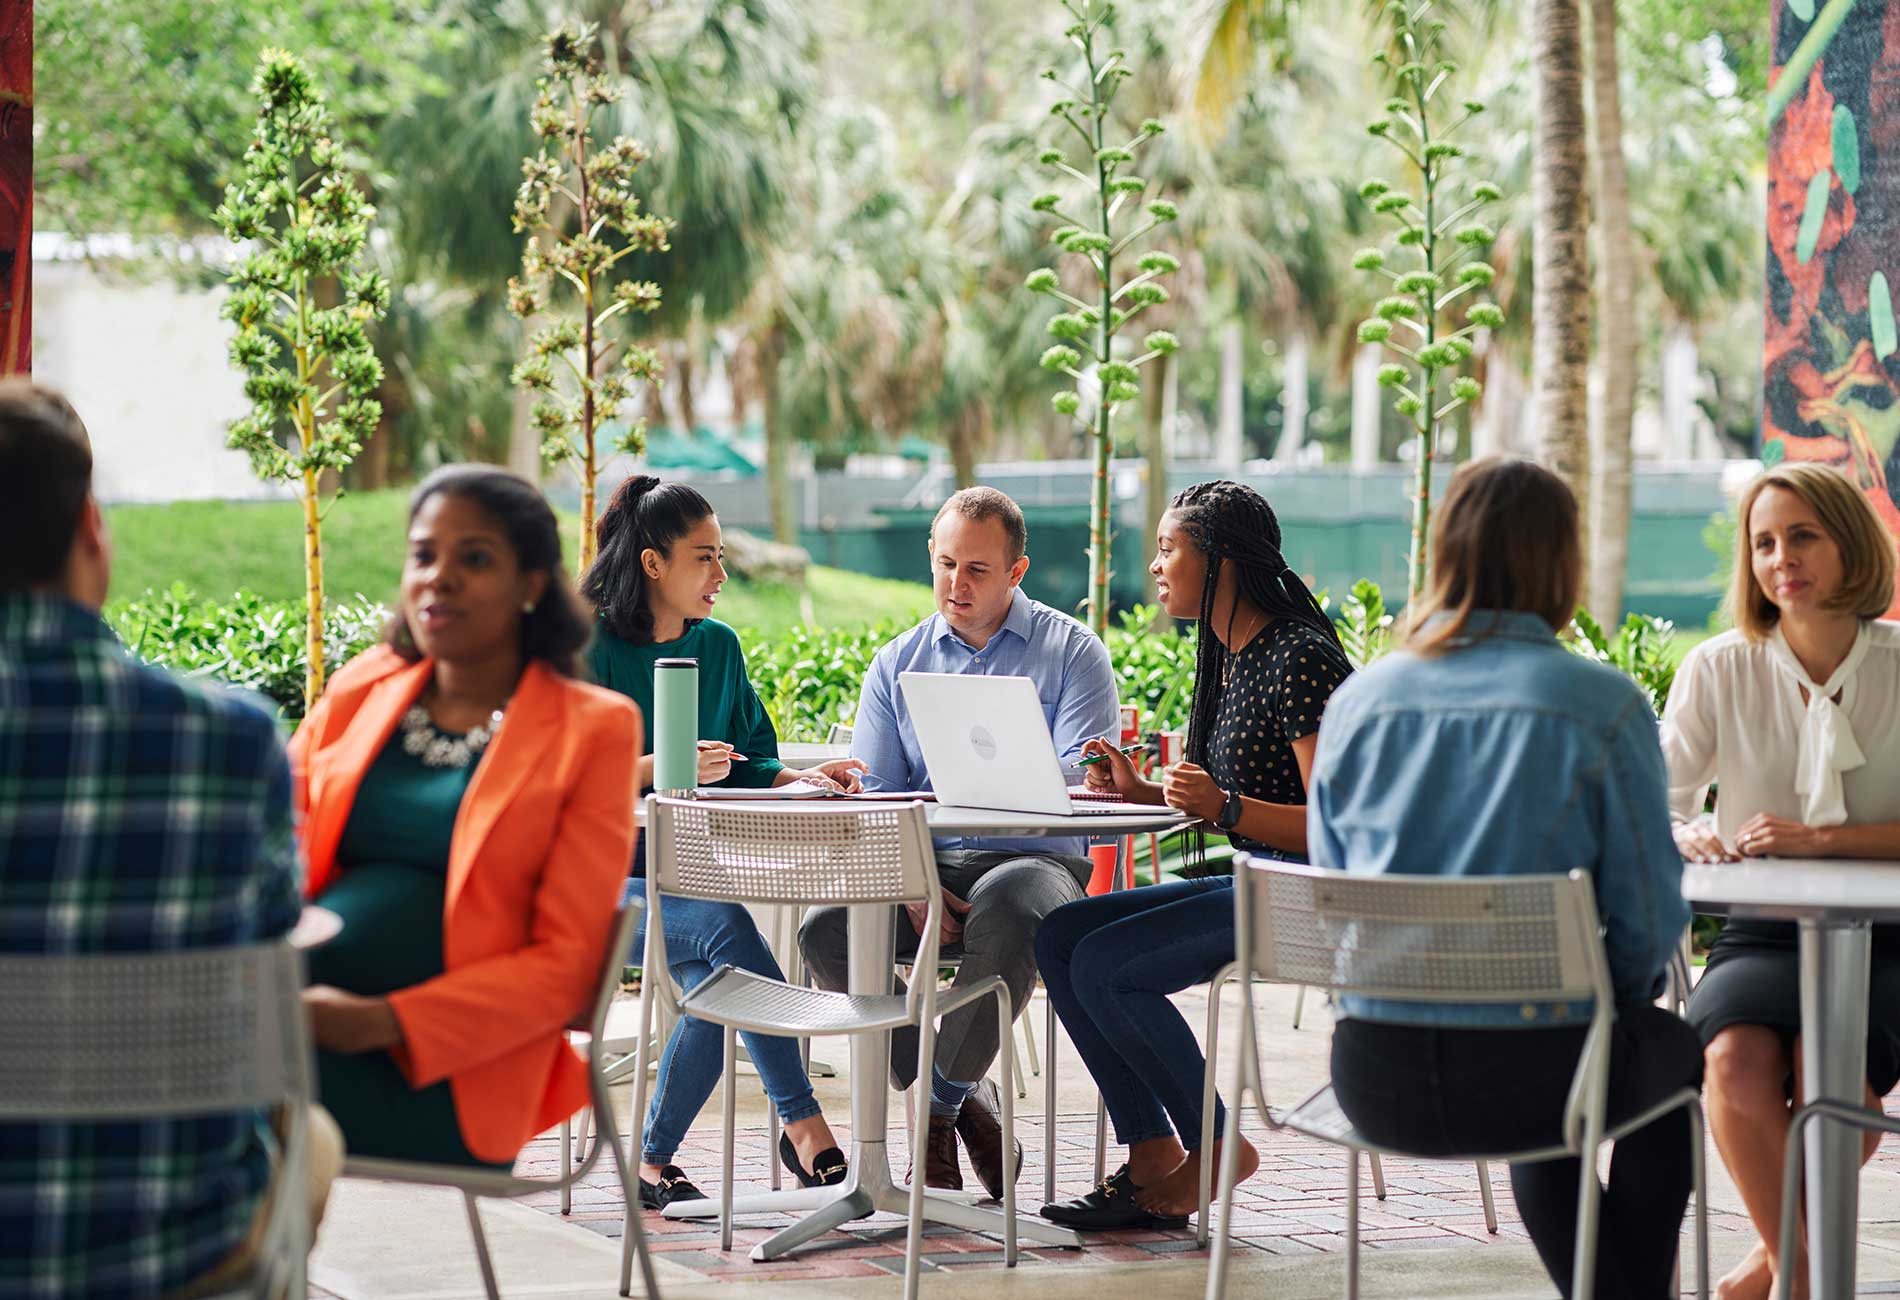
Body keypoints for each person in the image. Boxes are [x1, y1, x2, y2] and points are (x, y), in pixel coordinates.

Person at [1309, 457, 1701, 1300]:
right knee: (1668, 1053)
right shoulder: (1602, 705)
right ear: (1564, 561)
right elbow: (1644, 927)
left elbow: (1333, 891)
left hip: (1376, 1077)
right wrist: (1601, 996)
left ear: (1445, 552)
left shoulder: (1358, 703)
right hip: (1543, 1078)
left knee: (1568, 1063)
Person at [0, 379, 342, 1298]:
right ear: (91, 533)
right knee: (314, 1135)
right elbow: (269, 968)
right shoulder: (230, 740)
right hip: (176, 1255)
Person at [292, 466, 639, 1174]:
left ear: (531, 584)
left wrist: (378, 1022)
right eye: (424, 555)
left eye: (473, 558)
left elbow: (567, 968)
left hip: (446, 1070)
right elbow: (268, 844)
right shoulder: (362, 687)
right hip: (290, 1015)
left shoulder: (592, 729)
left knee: (196, 1115)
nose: (439, 578)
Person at [1035, 480, 1353, 1230]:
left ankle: (1215, 1145)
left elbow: (1341, 829)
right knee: (1060, 936)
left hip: (1311, 898)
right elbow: (1216, 801)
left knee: (1108, 966)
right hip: (1254, 879)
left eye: (1169, 548)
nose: (1153, 565)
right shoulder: (1230, 654)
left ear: (1222, 562)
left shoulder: (1301, 659)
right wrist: (1141, 790)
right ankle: (1151, 1150)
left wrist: (1229, 809)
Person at [798, 486, 1119, 1199]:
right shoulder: (897, 662)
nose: (956, 583)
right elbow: (879, 797)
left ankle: (935, 1113)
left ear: (1018, 571)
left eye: (977, 569)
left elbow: (1084, 782)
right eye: (945, 564)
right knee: (826, 932)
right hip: (930, 861)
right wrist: (913, 879)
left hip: (1034, 857)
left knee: (1012, 913)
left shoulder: (1073, 654)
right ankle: (968, 1103)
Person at [582, 475, 858, 1207]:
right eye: (704, 557)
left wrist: (798, 775)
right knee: (729, 932)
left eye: (721, 556)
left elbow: (749, 757)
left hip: (684, 873)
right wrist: (656, 768)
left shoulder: (719, 647)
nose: (721, 575)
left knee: (719, 979)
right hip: (590, 884)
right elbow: (550, 780)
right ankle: (805, 1128)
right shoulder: (588, 647)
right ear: (652, 563)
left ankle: (652, 1162)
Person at [1663, 462, 1900, 1300]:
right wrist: (1689, 830)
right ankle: (1798, 1274)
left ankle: (1770, 1270)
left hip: (1887, 936)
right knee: (1730, 1064)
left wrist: (1822, 840)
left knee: (1829, 1076)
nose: (1780, 558)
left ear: (1849, 544)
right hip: (1763, 920)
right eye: (1764, 542)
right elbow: (1662, 801)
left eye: (1803, 536)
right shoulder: (1719, 667)